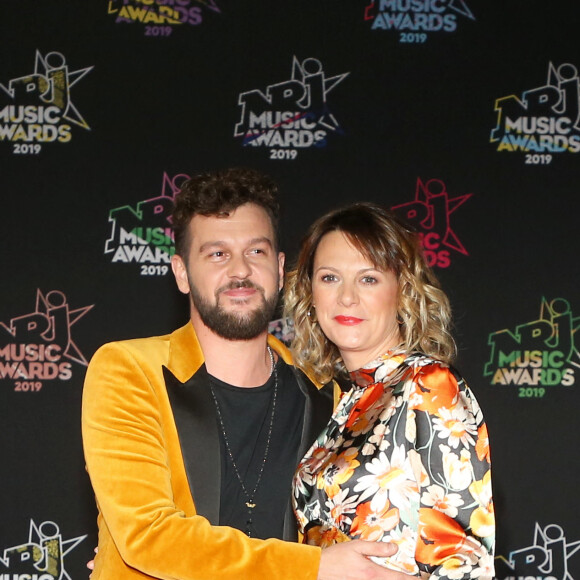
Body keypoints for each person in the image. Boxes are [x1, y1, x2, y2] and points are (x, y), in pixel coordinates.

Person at [82, 169, 409, 580]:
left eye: (255, 252)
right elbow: (149, 537)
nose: (240, 271)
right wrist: (312, 568)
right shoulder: (131, 370)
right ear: (182, 273)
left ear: (279, 266)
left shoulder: (327, 396)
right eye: (217, 254)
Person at [284, 202, 495, 578]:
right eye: (330, 277)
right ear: (309, 291)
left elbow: (467, 562)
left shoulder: (428, 383)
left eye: (368, 278)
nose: (347, 297)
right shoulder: (345, 403)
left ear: (403, 290)